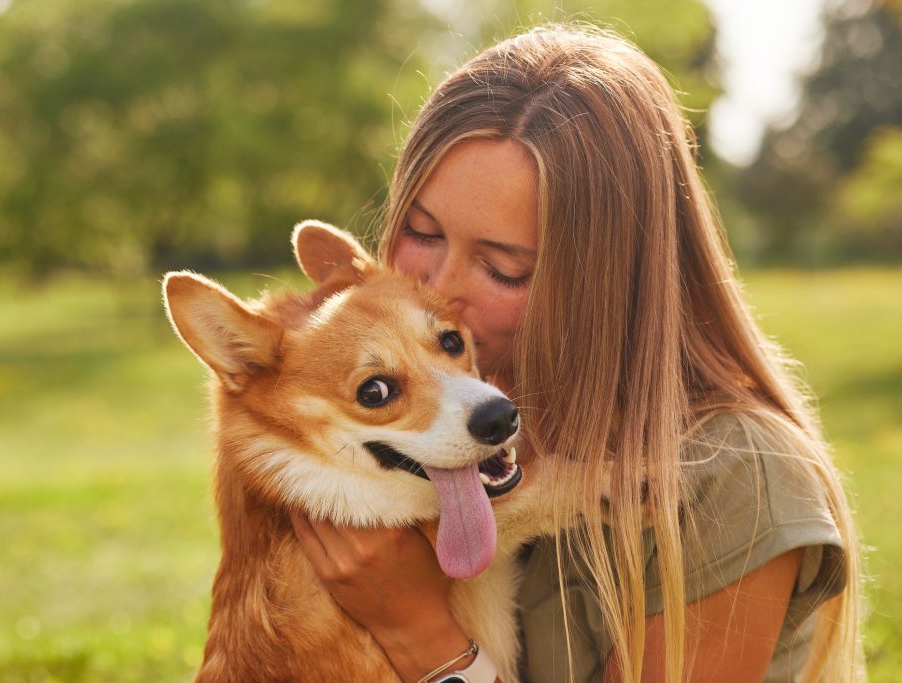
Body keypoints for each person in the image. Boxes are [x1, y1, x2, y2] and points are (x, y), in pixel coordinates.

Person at [290, 24, 863, 683]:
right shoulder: (417, 437)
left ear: (610, 284)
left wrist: (424, 636)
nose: (437, 293)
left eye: (504, 268)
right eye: (421, 233)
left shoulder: (735, 475)